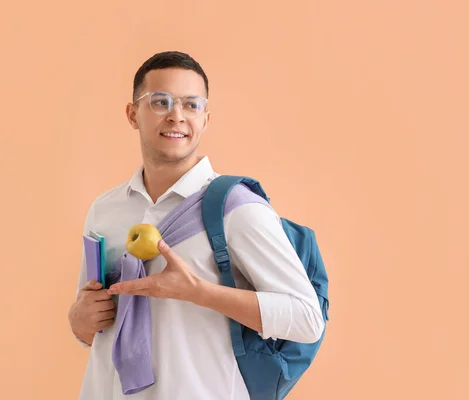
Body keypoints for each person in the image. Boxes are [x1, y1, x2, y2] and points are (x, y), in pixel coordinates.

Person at [67, 50, 325, 400]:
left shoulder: (237, 209)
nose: (176, 116)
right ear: (132, 114)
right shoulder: (105, 210)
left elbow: (307, 319)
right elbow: (89, 320)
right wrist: (79, 320)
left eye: (191, 105)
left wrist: (198, 292)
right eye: (160, 102)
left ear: (206, 119)